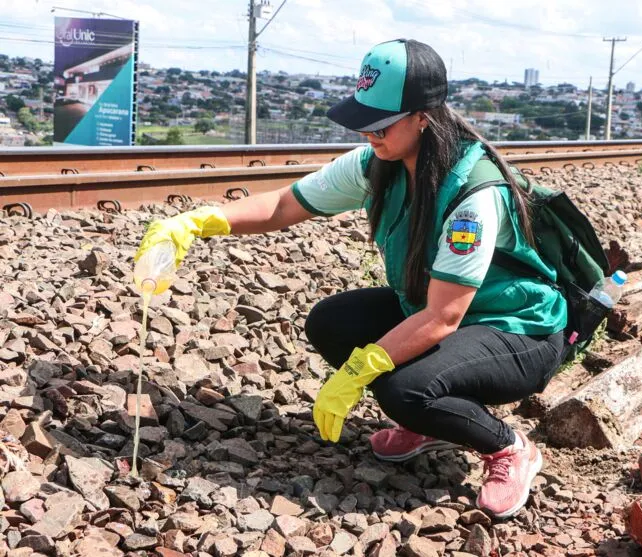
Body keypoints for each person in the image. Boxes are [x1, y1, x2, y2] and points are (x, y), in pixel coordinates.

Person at [135, 38, 569, 519]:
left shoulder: (473, 195)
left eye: (380, 123)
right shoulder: (376, 163)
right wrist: (198, 222)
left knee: (402, 388)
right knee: (331, 323)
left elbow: (445, 316)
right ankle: (432, 424)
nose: (369, 133)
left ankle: (509, 448)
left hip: (517, 329)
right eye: (363, 119)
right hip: (434, 311)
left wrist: (360, 370)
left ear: (423, 117)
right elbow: (284, 205)